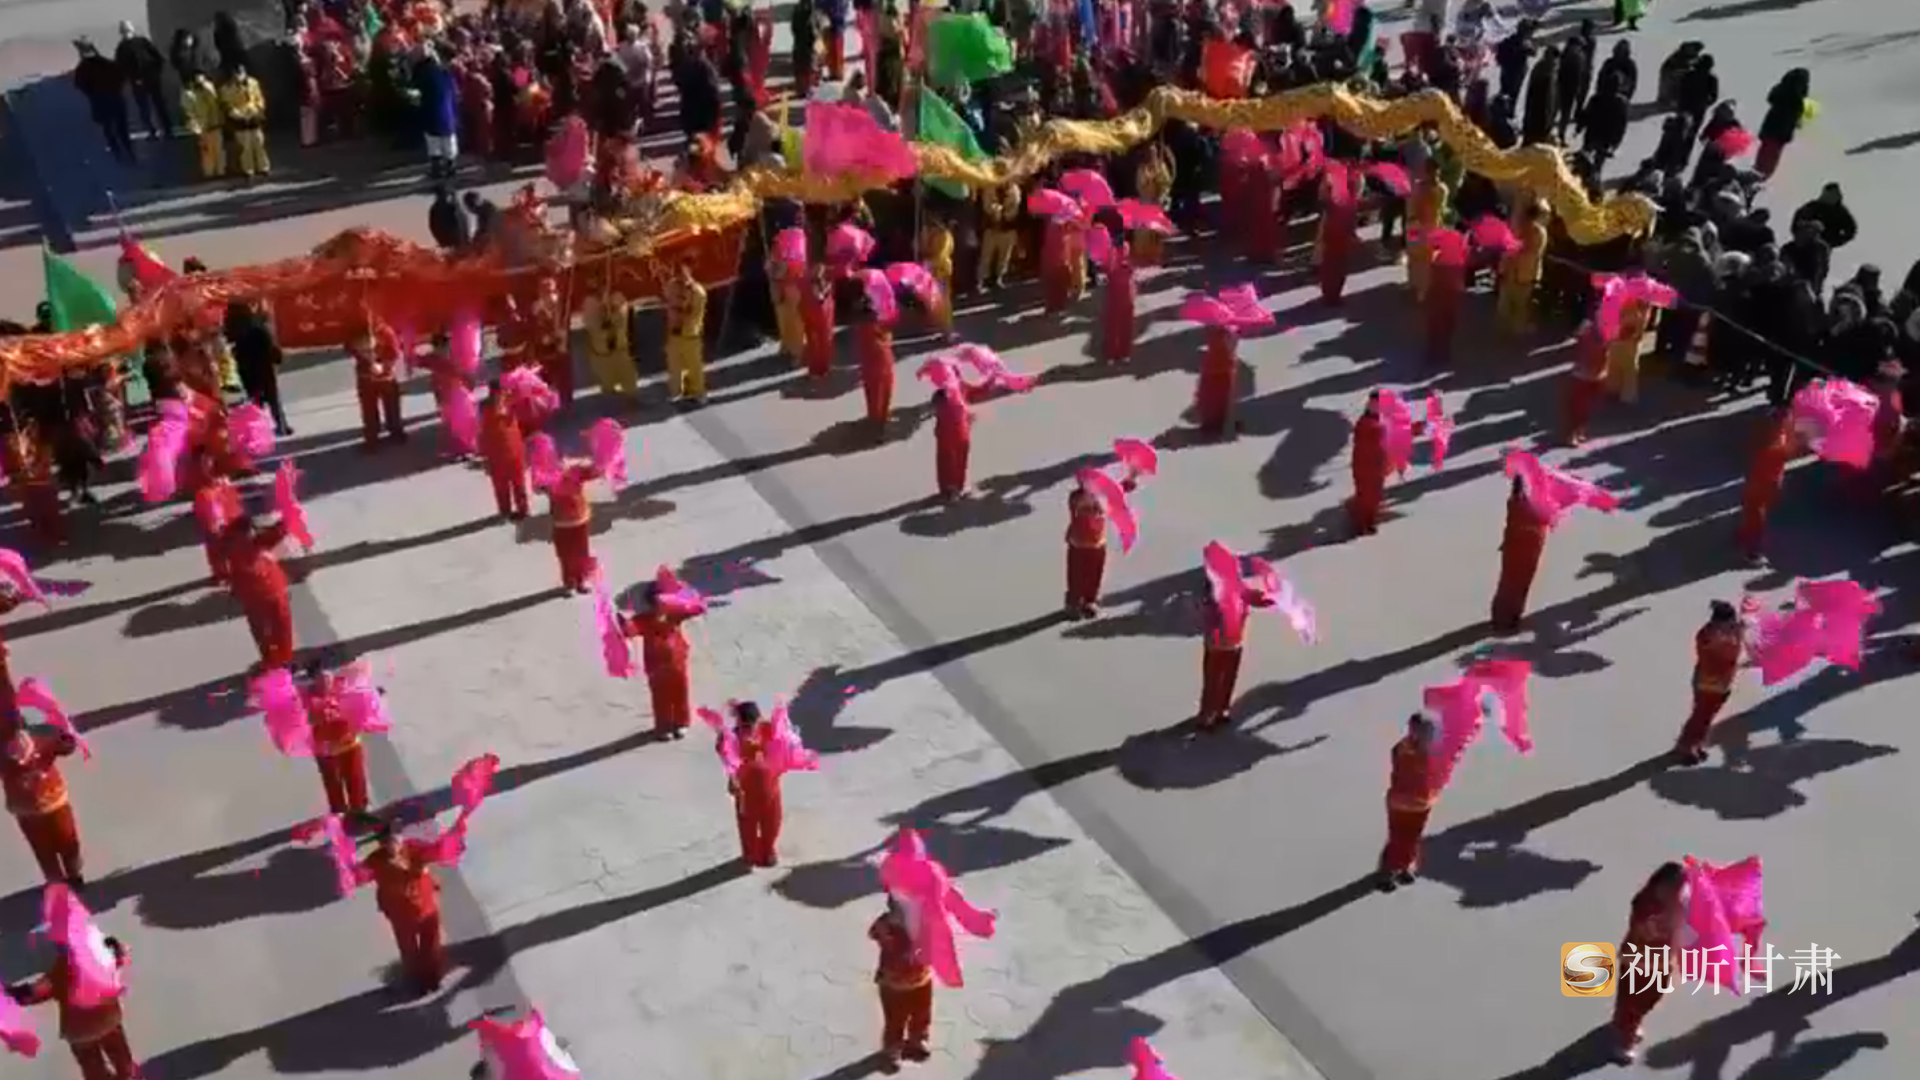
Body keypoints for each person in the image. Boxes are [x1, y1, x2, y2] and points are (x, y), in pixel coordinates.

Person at [6, 929, 134, 1080]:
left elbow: (37, 992)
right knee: (121, 1058)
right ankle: (126, 1075)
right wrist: (114, 947)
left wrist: (12, 994)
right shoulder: (101, 957)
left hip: (79, 1030)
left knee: (93, 1068)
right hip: (108, 1019)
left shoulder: (63, 969)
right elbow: (118, 957)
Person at [359, 815, 448, 992]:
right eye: (388, 842)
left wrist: (432, 881)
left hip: (426, 906)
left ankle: (432, 977)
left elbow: (427, 857)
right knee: (409, 949)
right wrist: (421, 870)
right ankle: (417, 979)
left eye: (396, 839)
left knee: (431, 945)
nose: (393, 845)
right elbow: (404, 875)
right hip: (402, 914)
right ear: (382, 844)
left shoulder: (412, 848)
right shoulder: (378, 862)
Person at [1609, 862, 1685, 1064]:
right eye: (1673, 888)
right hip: (1639, 963)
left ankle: (1623, 1021)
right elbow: (1643, 931)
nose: (1676, 893)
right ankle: (1624, 1043)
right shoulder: (1644, 904)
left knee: (1649, 998)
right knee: (1633, 1003)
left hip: (1661, 963)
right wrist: (1668, 920)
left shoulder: (1677, 903)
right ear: (1660, 884)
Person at [2, 719, 84, 885]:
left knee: (67, 840)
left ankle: (74, 873)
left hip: (55, 801)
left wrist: (66, 737)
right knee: (42, 849)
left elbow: (66, 746)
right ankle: (56, 881)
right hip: (26, 809)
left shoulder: (43, 735)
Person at [619, 574, 701, 739]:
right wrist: (621, 622)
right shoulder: (643, 619)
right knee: (660, 697)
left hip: (677, 662)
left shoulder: (675, 613)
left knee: (680, 692)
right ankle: (663, 726)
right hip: (656, 666)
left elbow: (697, 608)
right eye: (658, 600)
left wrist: (683, 592)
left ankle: (682, 722)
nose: (661, 604)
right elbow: (629, 630)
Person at [1672, 601, 1744, 764]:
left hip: (1722, 683)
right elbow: (1717, 646)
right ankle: (1685, 746)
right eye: (1730, 621)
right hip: (1708, 683)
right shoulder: (1709, 635)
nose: (1732, 624)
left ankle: (1695, 744)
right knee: (1700, 716)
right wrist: (1729, 636)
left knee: (1706, 718)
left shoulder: (1729, 632)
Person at [222, 513, 295, 669]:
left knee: (260, 631)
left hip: (251, 598)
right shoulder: (255, 545)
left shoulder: (230, 545)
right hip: (271, 592)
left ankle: (269, 659)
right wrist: (285, 518)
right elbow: (276, 534)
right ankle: (283, 659)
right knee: (281, 628)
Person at [870, 896, 934, 1072]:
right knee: (895, 1020)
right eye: (902, 908)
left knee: (922, 1014)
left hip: (922, 980)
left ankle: (917, 1040)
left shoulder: (924, 921)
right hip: (893, 984)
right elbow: (874, 933)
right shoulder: (887, 924)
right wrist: (891, 924)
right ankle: (892, 1050)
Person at [303, 659, 373, 814]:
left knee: (356, 777)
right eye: (321, 679)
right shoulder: (307, 700)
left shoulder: (342, 688)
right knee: (333, 782)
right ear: (314, 680)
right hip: (327, 749)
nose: (326, 682)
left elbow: (360, 697)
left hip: (349, 742)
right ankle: (339, 812)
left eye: (328, 678)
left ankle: (360, 810)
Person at [1378, 714, 1436, 890]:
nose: (1428, 735)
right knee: (1399, 837)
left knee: (1412, 838)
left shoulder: (1428, 750)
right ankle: (1387, 872)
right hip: (1402, 803)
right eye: (1424, 731)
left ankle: (1404, 867)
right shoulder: (1406, 750)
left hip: (1420, 804)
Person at [726, 701, 784, 866]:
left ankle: (767, 850)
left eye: (752, 724)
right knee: (748, 826)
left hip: (770, 788)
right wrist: (732, 780)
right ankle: (750, 853)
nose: (750, 729)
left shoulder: (768, 730)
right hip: (746, 792)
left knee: (772, 823)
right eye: (745, 726)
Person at [1736, 410, 1798, 560]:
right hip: (1768, 483)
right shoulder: (1783, 441)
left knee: (1753, 513)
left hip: (1759, 481)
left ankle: (1750, 544)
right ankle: (1750, 543)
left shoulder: (1766, 439)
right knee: (1756, 514)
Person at [1490, 476, 1547, 633]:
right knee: (1519, 581)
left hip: (1516, 547)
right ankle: (1509, 617)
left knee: (1510, 580)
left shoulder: (1514, 503)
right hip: (1526, 547)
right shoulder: (1535, 507)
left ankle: (1503, 617)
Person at [539, 456, 604, 593]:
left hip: (579, 519)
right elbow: (539, 486)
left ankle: (582, 580)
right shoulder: (548, 476)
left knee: (581, 553)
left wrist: (600, 460)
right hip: (561, 522)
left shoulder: (575, 471)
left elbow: (596, 471)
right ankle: (569, 582)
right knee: (565, 555)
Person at [227, 301, 292, 435]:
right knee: (273, 398)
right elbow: (269, 345)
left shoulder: (233, 327)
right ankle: (281, 425)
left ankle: (261, 429)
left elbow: (231, 344)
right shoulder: (257, 326)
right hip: (264, 367)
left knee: (255, 400)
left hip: (247, 369)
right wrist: (277, 357)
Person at [73, 40, 135, 164]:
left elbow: (79, 85)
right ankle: (130, 152)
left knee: (108, 128)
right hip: (116, 99)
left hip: (100, 101)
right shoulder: (107, 63)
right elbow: (122, 75)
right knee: (122, 128)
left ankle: (118, 153)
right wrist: (116, 88)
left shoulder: (83, 68)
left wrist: (91, 93)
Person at [1496, 201, 1548, 337]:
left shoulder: (1527, 230)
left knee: (1513, 304)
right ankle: (1511, 331)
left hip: (1518, 272)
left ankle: (1509, 331)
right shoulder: (1534, 232)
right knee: (1515, 305)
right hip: (1520, 273)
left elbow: (1512, 249)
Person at [348, 324, 405, 448]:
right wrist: (361, 351)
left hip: (386, 376)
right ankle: (372, 436)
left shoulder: (386, 332)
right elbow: (349, 348)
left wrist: (384, 365)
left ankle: (394, 430)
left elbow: (394, 352)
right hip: (366, 377)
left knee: (391, 405)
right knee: (369, 408)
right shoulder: (355, 331)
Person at [478, 384, 530, 520]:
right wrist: (483, 455)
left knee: (518, 483)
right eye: (497, 395)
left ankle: (522, 510)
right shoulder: (486, 409)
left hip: (513, 451)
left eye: (502, 394)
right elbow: (482, 434)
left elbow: (525, 393)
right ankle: (506, 511)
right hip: (497, 453)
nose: (500, 398)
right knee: (501, 486)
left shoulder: (510, 404)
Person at [114, 21, 171, 137]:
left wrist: (155, 72)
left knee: (155, 105)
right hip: (140, 80)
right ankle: (155, 130)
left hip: (149, 78)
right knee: (148, 106)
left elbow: (157, 57)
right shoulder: (125, 47)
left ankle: (165, 129)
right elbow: (121, 66)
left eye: (127, 31)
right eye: (125, 31)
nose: (127, 34)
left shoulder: (138, 43)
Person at [664, 261, 709, 405]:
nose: (679, 277)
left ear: (689, 272)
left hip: (690, 334)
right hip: (674, 333)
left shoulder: (698, 291)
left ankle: (699, 393)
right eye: (677, 273)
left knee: (694, 366)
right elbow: (667, 300)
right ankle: (676, 392)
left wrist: (681, 302)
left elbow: (691, 312)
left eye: (682, 273)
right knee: (674, 365)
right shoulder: (672, 286)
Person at [1064, 478, 1110, 617]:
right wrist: (1091, 499)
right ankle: (1073, 602)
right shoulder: (1076, 497)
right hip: (1079, 542)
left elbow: (1107, 509)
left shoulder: (1102, 496)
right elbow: (1077, 507)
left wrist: (1132, 477)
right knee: (1076, 574)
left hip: (1097, 543)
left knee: (1095, 574)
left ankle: (1090, 600)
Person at [1406, 157, 1449, 300]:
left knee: (1426, 259)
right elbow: (1412, 207)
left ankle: (1423, 290)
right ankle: (1414, 284)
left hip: (1430, 227)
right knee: (1415, 256)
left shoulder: (1439, 189)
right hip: (1417, 226)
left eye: (1435, 172)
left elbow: (1439, 207)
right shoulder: (1421, 188)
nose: (1434, 175)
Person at [1755, 68, 1810, 178]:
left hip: (1771, 126)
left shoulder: (1781, 90)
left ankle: (1758, 171)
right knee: (1771, 155)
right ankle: (1762, 174)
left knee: (1765, 151)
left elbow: (1771, 99)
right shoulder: (1796, 97)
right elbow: (1795, 113)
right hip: (1781, 130)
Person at [219, 61, 271, 179]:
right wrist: (237, 114)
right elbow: (226, 105)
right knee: (245, 146)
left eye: (241, 72)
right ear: (232, 74)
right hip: (239, 119)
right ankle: (248, 169)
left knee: (259, 143)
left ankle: (263, 167)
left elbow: (259, 98)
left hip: (254, 116)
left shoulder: (253, 83)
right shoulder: (226, 88)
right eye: (237, 73)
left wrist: (258, 109)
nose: (240, 76)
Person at [1561, 321, 1610, 444]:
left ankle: (1579, 431)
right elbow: (1579, 344)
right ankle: (1571, 434)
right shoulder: (1587, 327)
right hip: (1583, 374)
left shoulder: (1608, 329)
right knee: (1578, 407)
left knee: (1588, 406)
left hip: (1597, 373)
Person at [1347, 392, 1388, 536]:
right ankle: (1361, 523)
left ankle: (1369, 520)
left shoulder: (1380, 421)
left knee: (1375, 495)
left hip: (1377, 466)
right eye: (1374, 404)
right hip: (1364, 466)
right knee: (1366, 495)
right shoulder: (1365, 423)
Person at [416, 44, 459, 180]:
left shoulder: (429, 74)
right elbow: (454, 93)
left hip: (432, 114)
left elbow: (421, 91)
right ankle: (450, 168)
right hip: (447, 114)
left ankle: (437, 169)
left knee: (434, 143)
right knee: (448, 143)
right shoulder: (447, 74)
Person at [583, 292, 639, 398]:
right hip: (602, 354)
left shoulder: (618, 297)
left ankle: (632, 399)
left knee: (630, 385)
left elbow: (624, 319)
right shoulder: (590, 302)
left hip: (621, 351)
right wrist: (601, 313)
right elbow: (591, 325)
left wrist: (614, 309)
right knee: (608, 388)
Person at [854, 296, 896, 428]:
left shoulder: (861, 328)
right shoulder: (880, 326)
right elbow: (888, 339)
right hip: (883, 363)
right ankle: (882, 419)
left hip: (869, 365)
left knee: (872, 393)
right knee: (885, 391)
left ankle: (874, 416)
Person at [1316, 174, 1357, 304]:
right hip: (1340, 229)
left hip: (1333, 228)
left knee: (1331, 262)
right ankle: (1333, 294)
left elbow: (1322, 198)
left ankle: (1329, 294)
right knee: (1338, 263)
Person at [192, 473, 241, 583]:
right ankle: (229, 573)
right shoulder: (226, 485)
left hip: (215, 527)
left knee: (216, 554)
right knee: (229, 551)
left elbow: (201, 512)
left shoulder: (203, 494)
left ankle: (221, 574)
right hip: (227, 524)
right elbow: (235, 502)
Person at [1425, 239, 1465, 366]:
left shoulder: (1436, 260)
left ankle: (1435, 353)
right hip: (1448, 301)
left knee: (1437, 327)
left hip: (1438, 301)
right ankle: (1443, 353)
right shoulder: (1455, 262)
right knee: (1446, 327)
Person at [1195, 323, 1239, 436]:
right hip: (1223, 367)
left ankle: (1210, 423)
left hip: (1213, 367)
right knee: (1220, 397)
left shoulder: (1216, 330)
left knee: (1211, 396)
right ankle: (1217, 423)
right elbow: (1231, 348)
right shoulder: (1231, 331)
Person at [182, 71, 226, 178]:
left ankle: (221, 171)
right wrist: (196, 129)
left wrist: (206, 88)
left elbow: (215, 101)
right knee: (206, 151)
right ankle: (209, 172)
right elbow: (189, 113)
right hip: (202, 127)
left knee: (219, 149)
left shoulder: (209, 88)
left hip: (215, 123)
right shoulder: (188, 95)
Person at [978, 182, 1021, 289]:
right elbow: (986, 205)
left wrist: (1004, 215)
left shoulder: (1015, 190)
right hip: (991, 227)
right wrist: (994, 211)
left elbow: (1015, 208)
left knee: (1004, 255)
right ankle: (982, 279)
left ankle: (998, 277)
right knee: (986, 255)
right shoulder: (990, 187)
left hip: (1008, 228)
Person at [919, 216, 955, 335]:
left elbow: (931, 251)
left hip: (937, 269)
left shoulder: (942, 235)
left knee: (940, 298)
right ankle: (937, 324)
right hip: (938, 267)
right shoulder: (945, 234)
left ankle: (945, 328)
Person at [1101, 240, 1136, 363]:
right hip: (1127, 298)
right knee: (1125, 325)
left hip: (1116, 298)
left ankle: (1113, 354)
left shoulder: (1112, 260)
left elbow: (1106, 272)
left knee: (1114, 326)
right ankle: (1124, 353)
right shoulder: (1128, 263)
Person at [801, 262, 836, 379]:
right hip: (820, 312)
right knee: (822, 340)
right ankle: (821, 368)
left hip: (811, 311)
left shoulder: (806, 277)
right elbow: (819, 297)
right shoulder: (817, 279)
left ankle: (816, 369)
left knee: (814, 340)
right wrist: (826, 289)